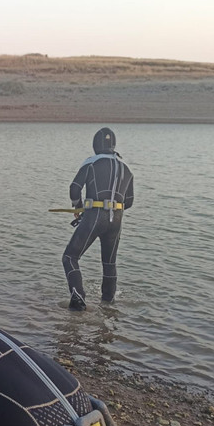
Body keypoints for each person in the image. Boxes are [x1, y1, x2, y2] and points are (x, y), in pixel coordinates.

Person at [62, 127, 134, 311]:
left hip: (94, 215)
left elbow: (74, 188)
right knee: (109, 263)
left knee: (70, 257)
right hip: (116, 219)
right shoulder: (126, 168)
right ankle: (108, 304)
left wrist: (77, 207)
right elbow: (129, 202)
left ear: (95, 145)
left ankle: (78, 298)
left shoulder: (91, 163)